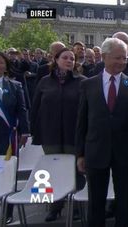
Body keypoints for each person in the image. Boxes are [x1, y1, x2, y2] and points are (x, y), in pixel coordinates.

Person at [75, 37, 128, 227]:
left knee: (124, 198)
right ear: (105, 57)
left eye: (124, 58)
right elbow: (82, 122)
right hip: (96, 150)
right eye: (117, 58)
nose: (122, 62)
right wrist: (80, 153)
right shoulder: (88, 85)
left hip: (124, 151)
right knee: (96, 199)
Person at [30, 48, 86, 221]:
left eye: (72, 58)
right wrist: (35, 132)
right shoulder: (45, 82)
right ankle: (54, 207)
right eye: (65, 58)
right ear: (56, 59)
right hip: (50, 134)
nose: (69, 61)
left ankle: (76, 206)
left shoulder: (82, 82)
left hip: (73, 135)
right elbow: (35, 108)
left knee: (74, 171)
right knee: (51, 170)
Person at [0, 50, 29, 224]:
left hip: (7, 135)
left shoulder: (14, 85)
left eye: (1, 62)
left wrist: (25, 131)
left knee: (7, 172)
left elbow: (22, 110)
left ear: (6, 66)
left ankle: (8, 211)